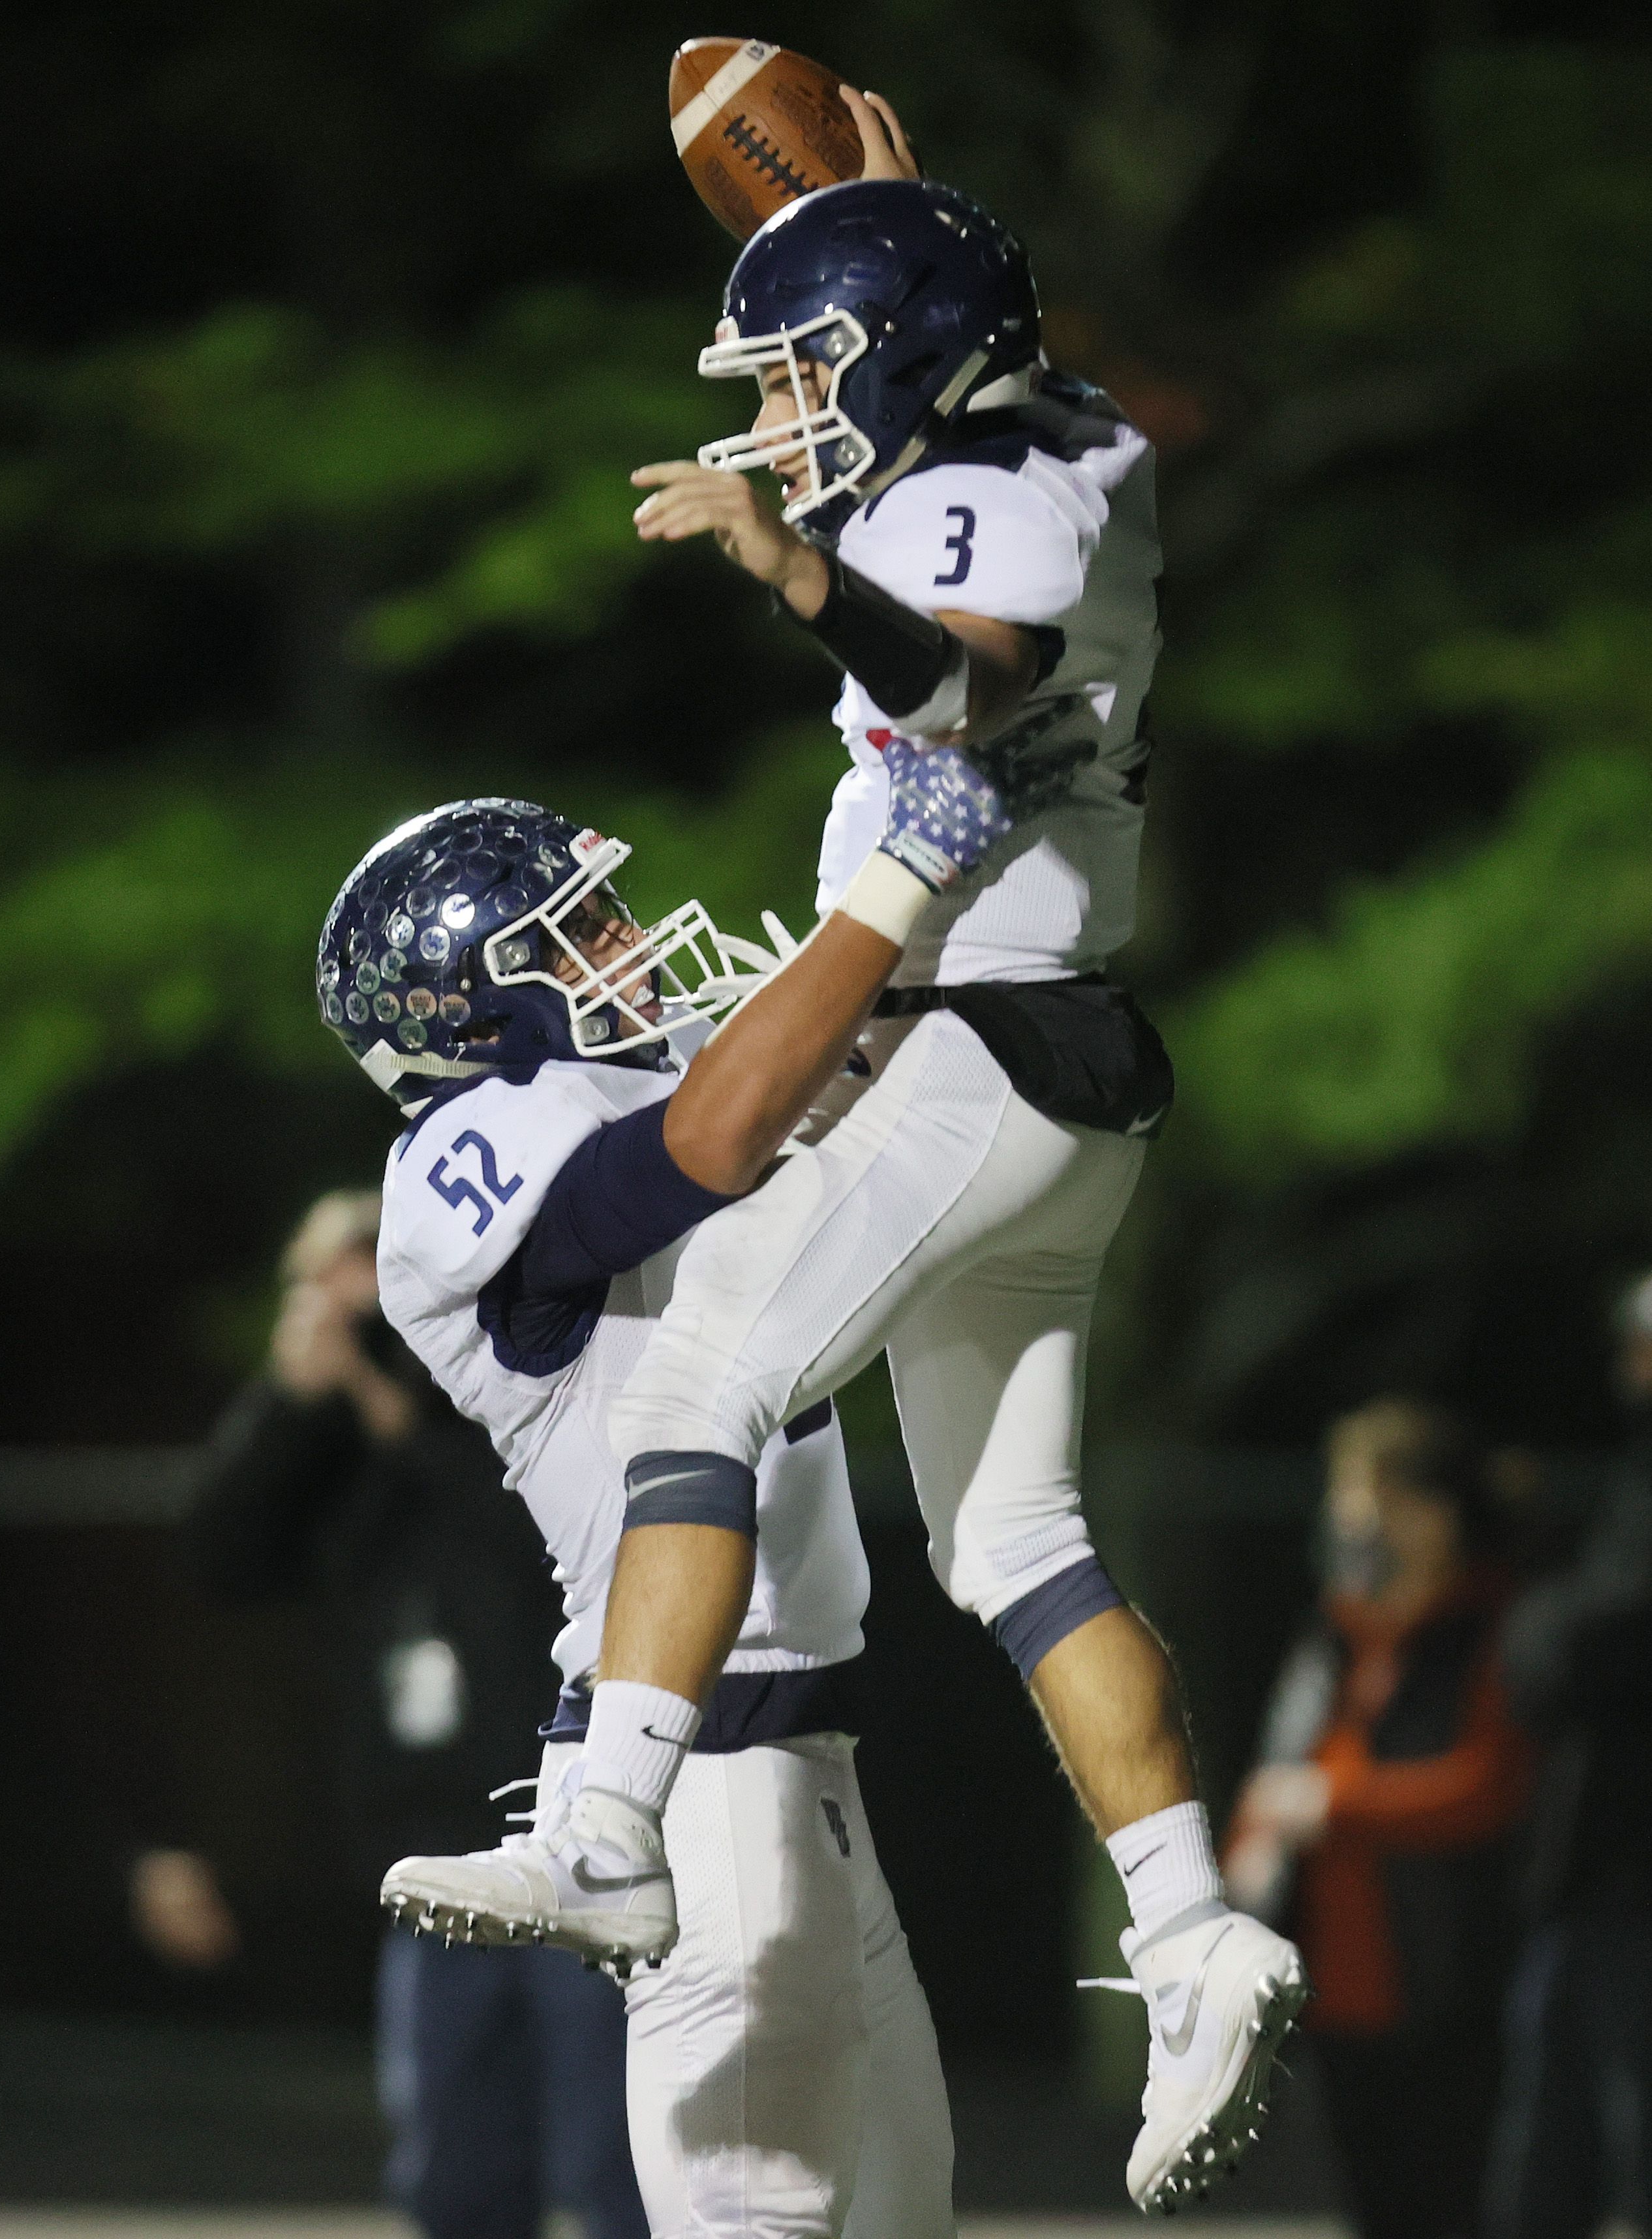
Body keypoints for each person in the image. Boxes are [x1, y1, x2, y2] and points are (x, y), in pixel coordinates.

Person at [459, 174, 1306, 2214]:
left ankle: (604, 1823)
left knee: (701, 1387)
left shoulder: (975, 500)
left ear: (915, 355)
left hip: (966, 1034)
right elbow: (998, 421)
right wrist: (881, 218)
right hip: (1059, 1064)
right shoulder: (1068, 436)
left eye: (806, 370)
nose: (781, 418)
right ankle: (1195, 1931)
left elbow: (967, 686)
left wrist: (785, 565)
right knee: (1014, 1536)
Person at [316, 784, 988, 2238]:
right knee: (759, 2217)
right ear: (477, 1016)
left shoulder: (646, 1069)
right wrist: (900, 871)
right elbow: (697, 1151)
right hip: (707, 1755)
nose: (626, 944)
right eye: (579, 933)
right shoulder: (465, 1157)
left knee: (899, 2214)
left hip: (799, 1748)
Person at [183, 1191, 647, 2239]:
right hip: (428, 1871)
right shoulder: (327, 1466)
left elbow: (526, 1546)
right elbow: (215, 1557)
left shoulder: (515, 1408)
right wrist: (286, 1399)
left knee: (614, 2173)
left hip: (573, 1858)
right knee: (455, 2186)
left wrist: (399, 1405)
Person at [1223, 1399, 1531, 2239]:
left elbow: (1488, 1790)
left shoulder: (1494, 1626)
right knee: (1375, 2206)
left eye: (1381, 1504)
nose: (1357, 1527)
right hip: (1339, 1982)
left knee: (1457, 2206)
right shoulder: (1336, 1631)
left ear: (1440, 1514)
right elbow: (1271, 1784)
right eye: (1350, 1504)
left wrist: (1335, 1804)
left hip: (1450, 1984)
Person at [1482, 1274, 1652, 2239]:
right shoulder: (1630, 1485)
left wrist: (1545, 1633)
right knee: (1545, 2165)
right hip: (1591, 1880)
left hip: (1631, 1887)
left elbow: (1595, 1641)